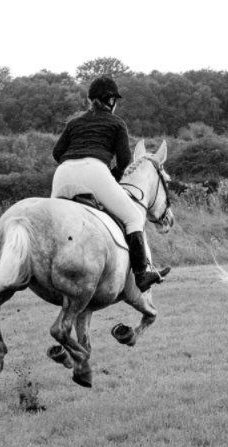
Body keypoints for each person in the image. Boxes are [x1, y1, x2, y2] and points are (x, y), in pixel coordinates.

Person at [51, 75, 170, 292]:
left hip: (63, 174)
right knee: (133, 217)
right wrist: (109, 177)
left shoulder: (75, 122)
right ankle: (142, 275)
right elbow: (124, 162)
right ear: (111, 101)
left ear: (91, 100)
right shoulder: (116, 123)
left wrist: (73, 163)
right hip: (95, 171)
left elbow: (57, 152)